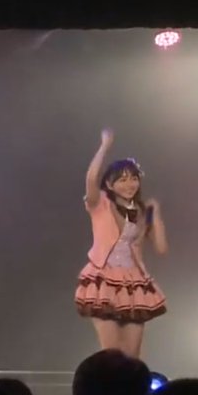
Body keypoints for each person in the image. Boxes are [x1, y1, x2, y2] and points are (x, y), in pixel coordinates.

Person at [75, 128, 168, 357]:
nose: (130, 184)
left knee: (132, 356)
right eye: (123, 180)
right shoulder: (101, 204)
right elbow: (91, 179)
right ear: (110, 184)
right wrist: (104, 146)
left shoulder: (141, 210)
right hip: (104, 280)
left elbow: (161, 248)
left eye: (133, 178)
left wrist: (155, 215)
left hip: (133, 283)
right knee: (112, 355)